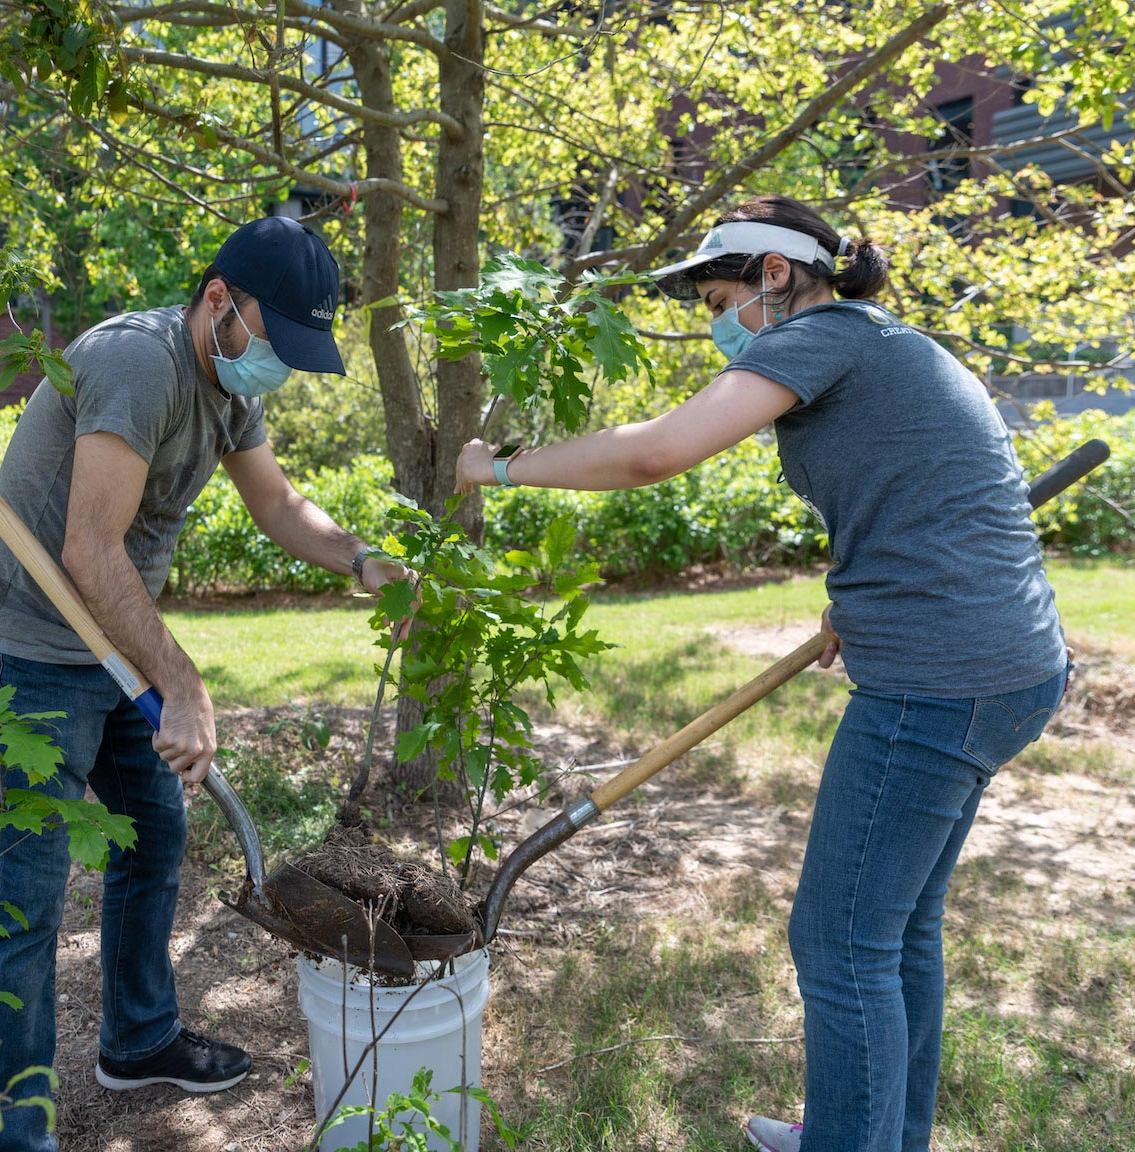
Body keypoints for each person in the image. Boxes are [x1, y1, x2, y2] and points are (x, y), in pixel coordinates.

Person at [455, 195, 1070, 1152]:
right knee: (897, 931)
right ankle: (867, 1133)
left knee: (840, 941)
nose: (717, 321)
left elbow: (654, 454)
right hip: (1004, 666)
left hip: (938, 680)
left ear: (774, 276)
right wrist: (855, 603)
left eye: (719, 296)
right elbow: (923, 497)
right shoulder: (881, 342)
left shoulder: (821, 336)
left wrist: (497, 470)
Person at [0, 216, 411, 1152]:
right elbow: (86, 547)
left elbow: (278, 503)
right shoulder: (138, 363)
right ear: (219, 302)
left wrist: (363, 560)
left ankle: (136, 1039)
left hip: (114, 645)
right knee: (27, 894)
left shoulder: (224, 382)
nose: (278, 365)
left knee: (153, 836)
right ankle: (12, 1130)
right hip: (30, 646)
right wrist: (184, 681)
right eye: (275, 342)